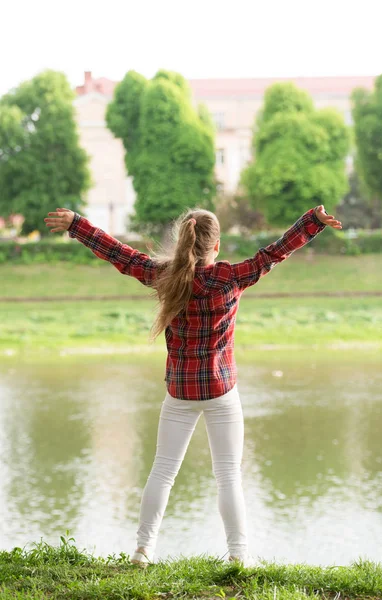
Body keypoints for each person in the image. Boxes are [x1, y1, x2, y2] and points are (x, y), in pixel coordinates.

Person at [44, 204, 341, 567]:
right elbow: (274, 253)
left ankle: (142, 550)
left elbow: (119, 254)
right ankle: (238, 557)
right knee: (228, 475)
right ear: (215, 247)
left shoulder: (163, 275)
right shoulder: (231, 276)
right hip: (221, 391)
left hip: (180, 392)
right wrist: (312, 222)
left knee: (163, 471)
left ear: (183, 241)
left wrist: (77, 224)